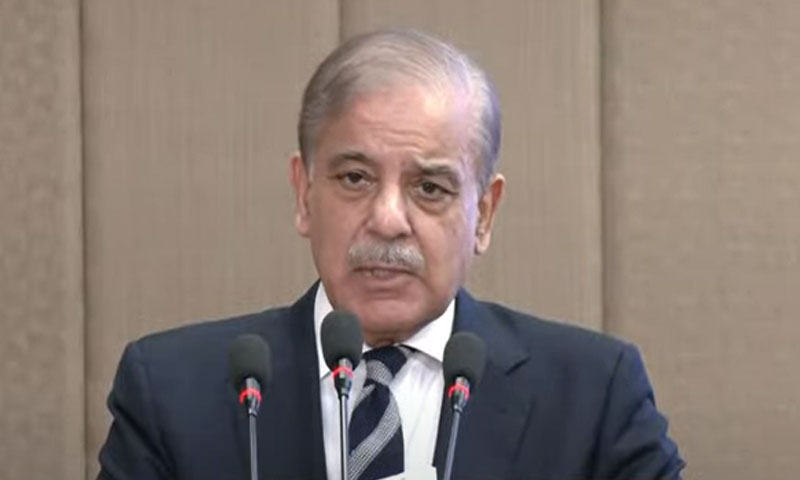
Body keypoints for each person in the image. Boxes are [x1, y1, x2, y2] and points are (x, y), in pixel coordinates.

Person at [97, 29, 684, 479]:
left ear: (483, 215)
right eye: (355, 178)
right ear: (304, 194)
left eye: (430, 187)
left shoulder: (592, 395)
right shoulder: (173, 393)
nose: (387, 220)